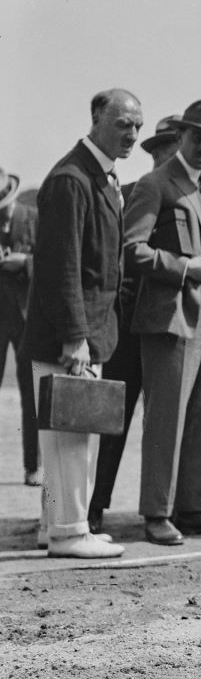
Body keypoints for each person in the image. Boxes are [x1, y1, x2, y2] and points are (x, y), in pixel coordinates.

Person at [21, 88, 144, 558]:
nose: (132, 133)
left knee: (62, 437)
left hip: (82, 332)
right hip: (72, 337)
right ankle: (71, 532)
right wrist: (76, 338)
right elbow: (63, 266)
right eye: (122, 123)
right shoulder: (74, 179)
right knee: (72, 438)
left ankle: (55, 525)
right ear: (96, 118)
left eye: (137, 125)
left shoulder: (95, 176)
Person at [125, 99, 201, 545]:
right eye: (199, 138)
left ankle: (192, 506)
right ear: (182, 137)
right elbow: (130, 250)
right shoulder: (155, 184)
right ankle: (157, 512)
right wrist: (183, 267)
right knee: (166, 418)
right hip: (172, 315)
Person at [88, 114, 181, 534]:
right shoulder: (124, 194)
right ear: (154, 154)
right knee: (114, 421)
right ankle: (93, 505)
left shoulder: (196, 202)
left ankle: (166, 508)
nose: (173, 159)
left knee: (167, 420)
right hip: (127, 323)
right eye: (166, 151)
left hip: (170, 327)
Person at [0, 167, 41, 488]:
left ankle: (33, 467)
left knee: (32, 396)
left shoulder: (32, 217)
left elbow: (50, 260)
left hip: (27, 321)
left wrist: (24, 263)